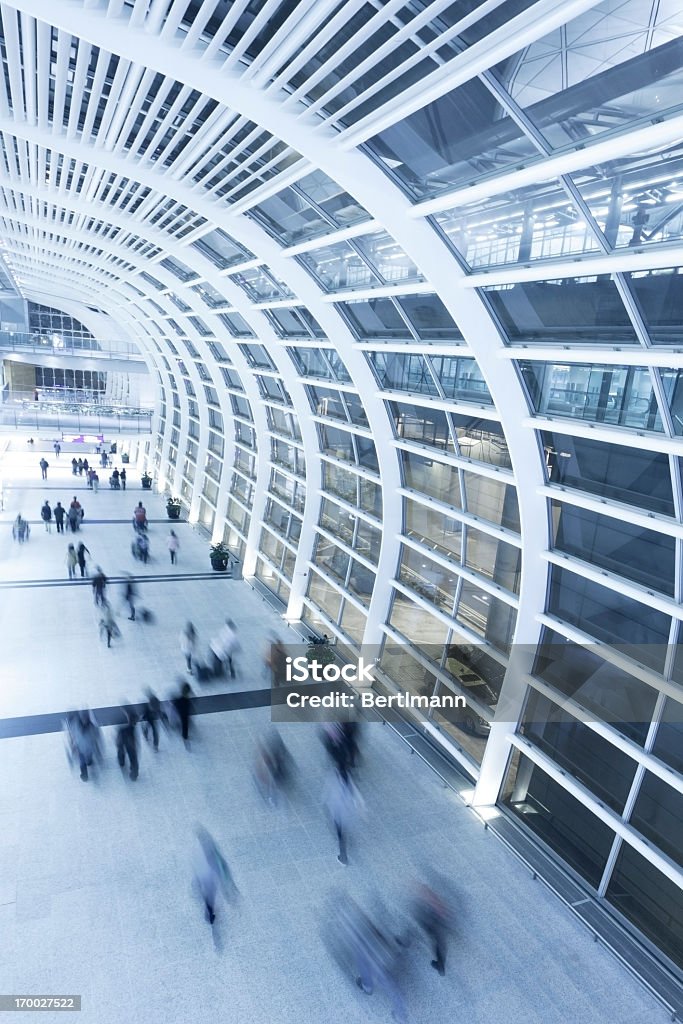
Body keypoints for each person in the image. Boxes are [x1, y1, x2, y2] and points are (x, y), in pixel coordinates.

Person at [193, 827, 237, 926]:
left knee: (208, 891)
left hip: (204, 874)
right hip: (208, 876)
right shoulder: (211, 852)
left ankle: (209, 907)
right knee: (210, 893)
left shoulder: (199, 850)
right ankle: (209, 909)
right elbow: (222, 866)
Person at [324, 765, 364, 866]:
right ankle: (343, 851)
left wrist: (326, 806)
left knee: (340, 834)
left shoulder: (335, 782)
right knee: (342, 831)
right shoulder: (350, 783)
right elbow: (358, 799)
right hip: (347, 813)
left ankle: (343, 856)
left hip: (338, 814)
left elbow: (328, 794)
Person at [64, 710, 102, 782]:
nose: (84, 719)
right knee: (82, 762)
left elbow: (96, 736)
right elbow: (72, 736)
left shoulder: (90, 726)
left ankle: (89, 762)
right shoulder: (76, 724)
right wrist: (73, 745)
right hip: (81, 747)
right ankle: (84, 775)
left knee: (88, 758)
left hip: (88, 746)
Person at [115, 707, 139, 780]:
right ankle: (133, 772)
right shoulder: (124, 717)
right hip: (126, 736)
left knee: (127, 752)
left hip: (127, 736)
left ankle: (122, 762)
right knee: (131, 754)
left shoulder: (125, 716)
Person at [172, 681, 194, 746]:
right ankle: (185, 736)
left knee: (185, 724)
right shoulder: (183, 699)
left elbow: (176, 704)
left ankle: (185, 735)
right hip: (184, 713)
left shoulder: (182, 698)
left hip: (183, 712)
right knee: (185, 724)